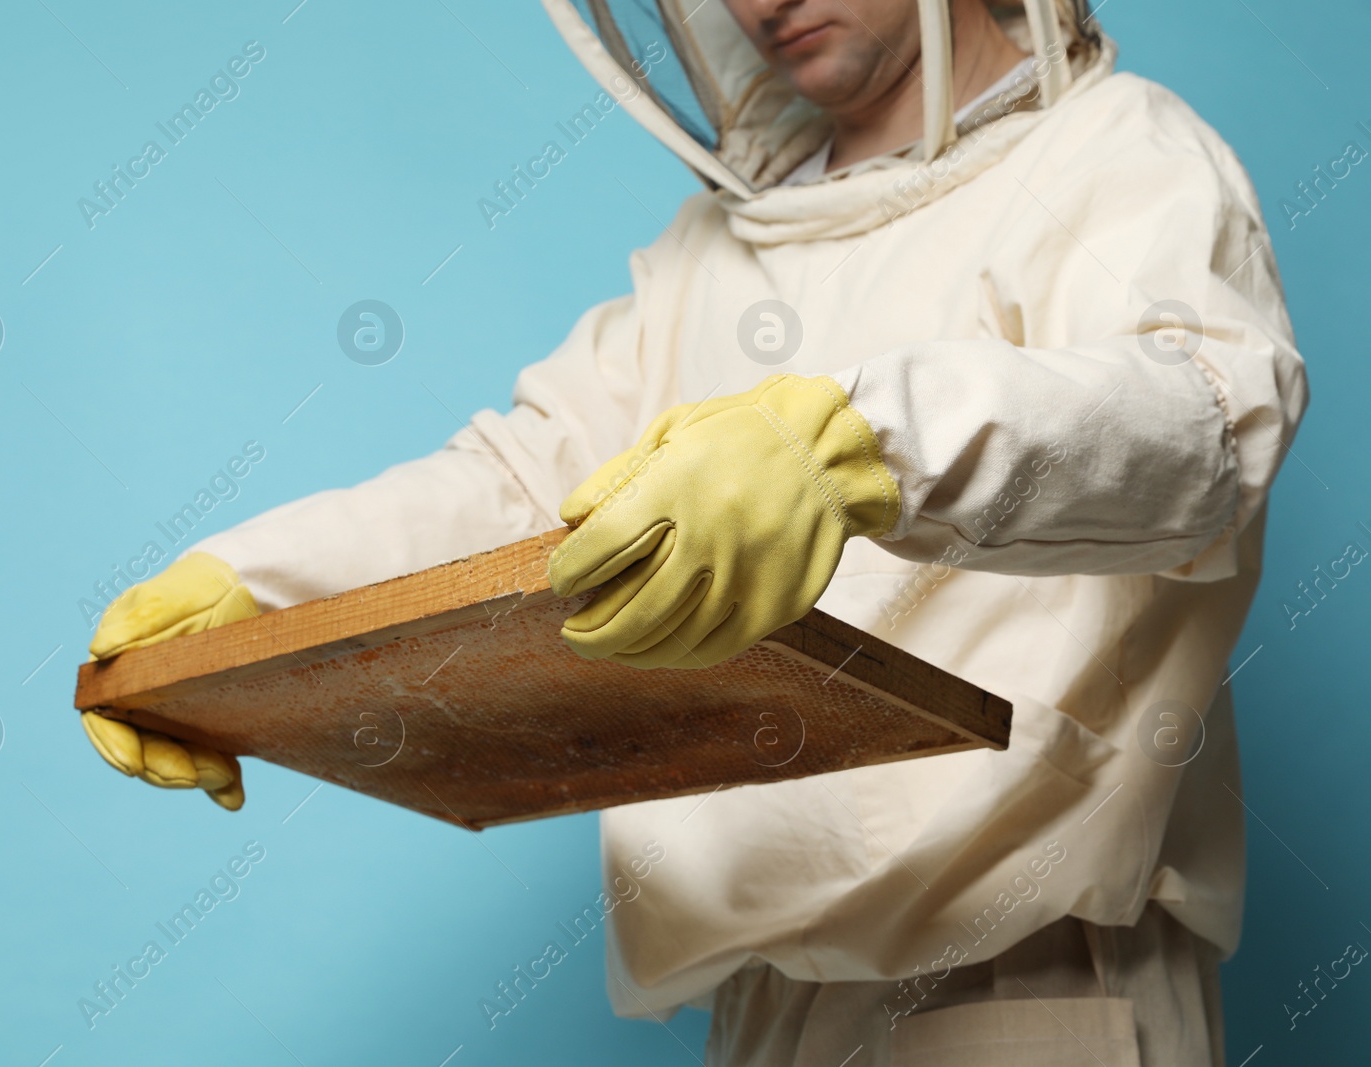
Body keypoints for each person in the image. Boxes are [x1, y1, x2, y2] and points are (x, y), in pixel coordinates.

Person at [78, 0, 1307, 1063]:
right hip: (756, 999)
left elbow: (1202, 423)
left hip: (1034, 984)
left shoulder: (1117, 150)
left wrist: (858, 450)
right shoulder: (710, 251)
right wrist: (261, 583)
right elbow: (522, 480)